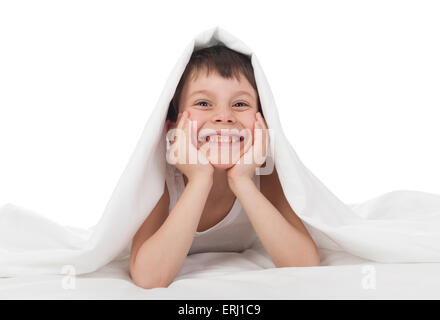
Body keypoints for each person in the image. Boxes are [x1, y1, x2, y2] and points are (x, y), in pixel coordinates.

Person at [129, 45, 320, 289]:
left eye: (240, 104)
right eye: (203, 103)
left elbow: (304, 265)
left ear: (263, 124)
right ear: (172, 129)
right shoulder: (161, 182)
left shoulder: (265, 174)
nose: (224, 116)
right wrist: (199, 179)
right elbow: (149, 278)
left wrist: (241, 180)